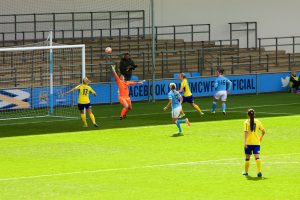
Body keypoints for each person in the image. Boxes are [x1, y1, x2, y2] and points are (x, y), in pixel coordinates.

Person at [243, 109, 265, 177]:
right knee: (257, 158)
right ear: (254, 114)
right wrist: (261, 137)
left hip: (249, 143)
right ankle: (259, 172)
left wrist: (245, 142)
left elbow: (246, 132)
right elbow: (263, 131)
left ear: (248, 115)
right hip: (256, 143)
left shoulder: (246, 122)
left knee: (247, 158)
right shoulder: (258, 121)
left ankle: (246, 172)